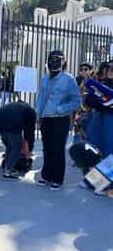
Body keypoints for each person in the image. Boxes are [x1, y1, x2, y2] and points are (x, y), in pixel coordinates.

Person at [36, 50, 81, 191]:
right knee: (47, 148)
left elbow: (77, 101)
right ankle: (46, 176)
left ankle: (57, 179)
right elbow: (41, 97)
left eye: (57, 59)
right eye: (51, 59)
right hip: (46, 119)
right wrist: (39, 114)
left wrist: (60, 109)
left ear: (63, 62)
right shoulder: (44, 78)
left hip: (60, 120)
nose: (53, 62)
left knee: (57, 149)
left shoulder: (69, 79)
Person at [0, 101, 36, 179]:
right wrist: (29, 150)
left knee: (10, 146)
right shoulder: (31, 112)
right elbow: (29, 133)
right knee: (17, 148)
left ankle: (7, 166)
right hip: (11, 123)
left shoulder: (16, 106)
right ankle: (8, 172)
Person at [85, 61, 113, 157]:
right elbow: (89, 100)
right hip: (97, 120)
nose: (110, 70)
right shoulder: (102, 83)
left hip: (110, 122)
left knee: (109, 152)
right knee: (93, 151)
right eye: (108, 68)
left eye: (112, 68)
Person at [73, 62, 93, 143]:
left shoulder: (92, 81)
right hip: (78, 110)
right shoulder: (75, 80)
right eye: (81, 70)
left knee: (88, 131)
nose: (83, 71)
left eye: (86, 69)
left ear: (90, 70)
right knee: (77, 130)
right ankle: (77, 146)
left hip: (89, 110)